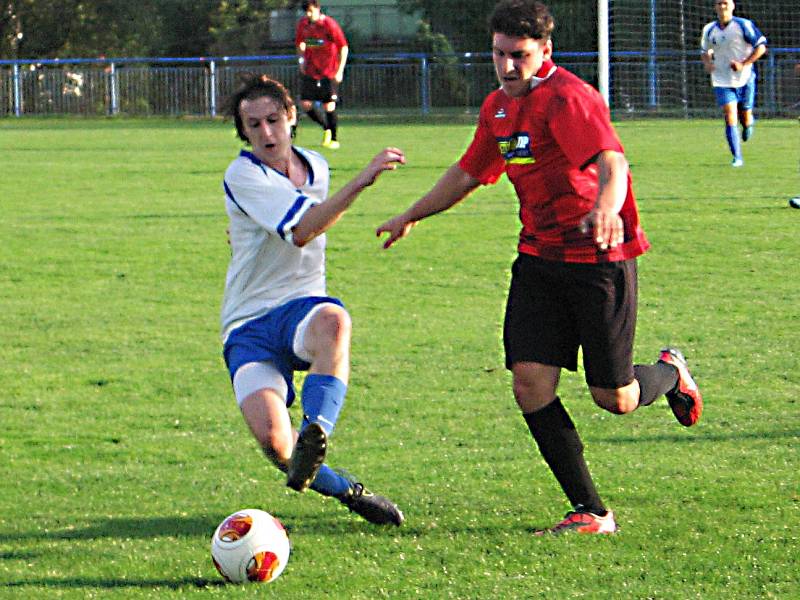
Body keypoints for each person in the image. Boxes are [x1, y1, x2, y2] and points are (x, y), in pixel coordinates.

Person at [376, 0, 703, 535]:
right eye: (500, 54)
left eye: (520, 56)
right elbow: (468, 172)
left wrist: (603, 205)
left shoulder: (570, 99)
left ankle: (669, 373)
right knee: (529, 384)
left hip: (600, 260)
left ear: (545, 51)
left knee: (614, 398)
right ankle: (592, 513)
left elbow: (612, 162)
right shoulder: (498, 108)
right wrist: (412, 213)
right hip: (538, 259)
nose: (508, 67)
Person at [220, 73, 404, 526]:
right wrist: (361, 181)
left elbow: (301, 221)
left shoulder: (316, 167)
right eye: (253, 125)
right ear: (242, 131)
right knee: (276, 445)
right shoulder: (242, 173)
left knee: (334, 322)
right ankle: (349, 490)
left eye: (273, 120)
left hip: (301, 305)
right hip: (248, 324)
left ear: (291, 119)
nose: (266, 133)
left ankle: (317, 428)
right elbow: (302, 230)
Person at [701, 0, 767, 167]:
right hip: (721, 79)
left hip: (744, 78)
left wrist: (743, 64)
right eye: (718, 3)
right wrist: (708, 63)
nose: (722, 7)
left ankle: (748, 123)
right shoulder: (709, 29)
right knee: (730, 115)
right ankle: (737, 157)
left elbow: (761, 47)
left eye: (725, 3)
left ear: (732, 6)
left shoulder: (744, 25)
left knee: (744, 115)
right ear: (715, 7)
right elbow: (704, 50)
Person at [295, 0, 348, 149]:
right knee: (305, 104)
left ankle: (334, 138)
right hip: (311, 70)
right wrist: (301, 60)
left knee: (329, 105)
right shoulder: (303, 24)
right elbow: (301, 43)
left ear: (318, 9)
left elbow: (343, 47)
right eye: (306, 12)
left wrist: (340, 70)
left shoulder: (329, 25)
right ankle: (326, 127)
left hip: (328, 71)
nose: (309, 14)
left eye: (311, 11)